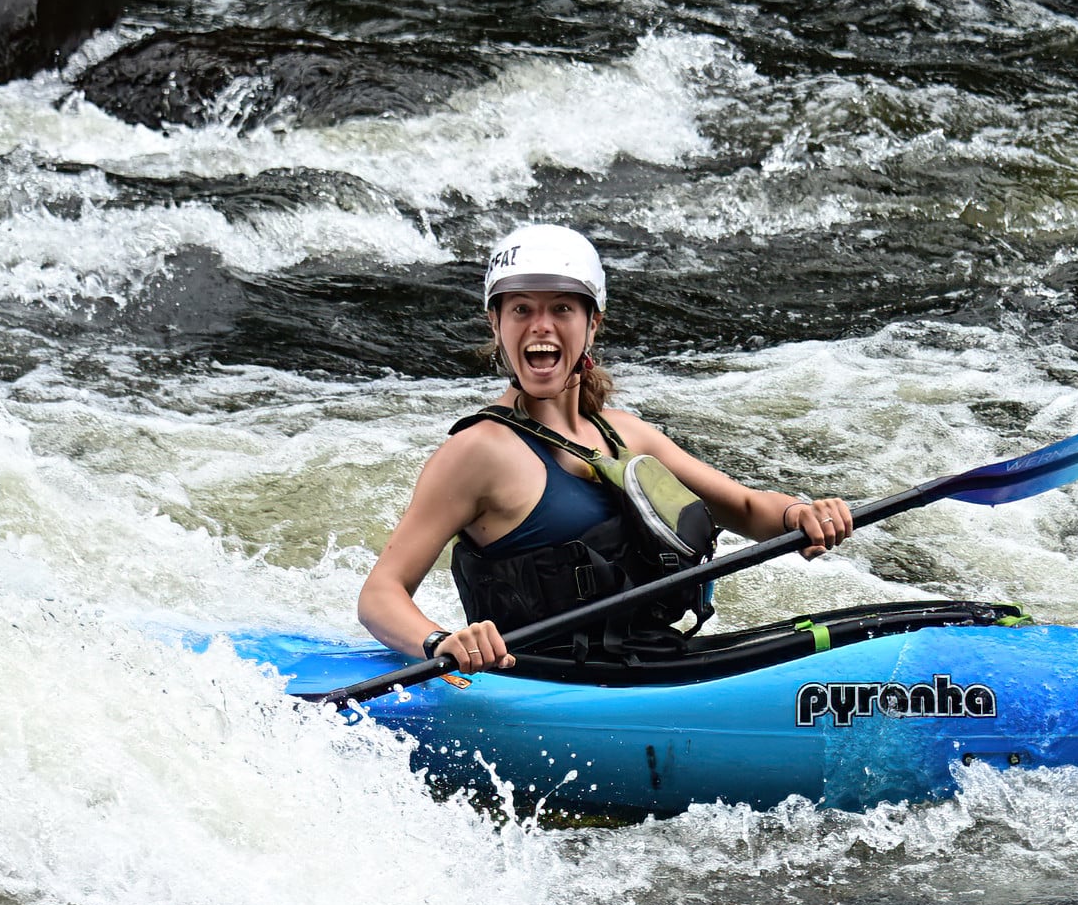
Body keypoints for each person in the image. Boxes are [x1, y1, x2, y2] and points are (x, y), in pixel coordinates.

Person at [359, 224, 854, 674]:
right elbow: (380, 594)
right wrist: (440, 642)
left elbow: (747, 507)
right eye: (521, 309)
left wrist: (800, 515)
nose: (541, 326)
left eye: (562, 308)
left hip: (657, 662)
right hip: (543, 683)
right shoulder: (478, 452)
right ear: (496, 324)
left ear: (592, 323)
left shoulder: (625, 434)